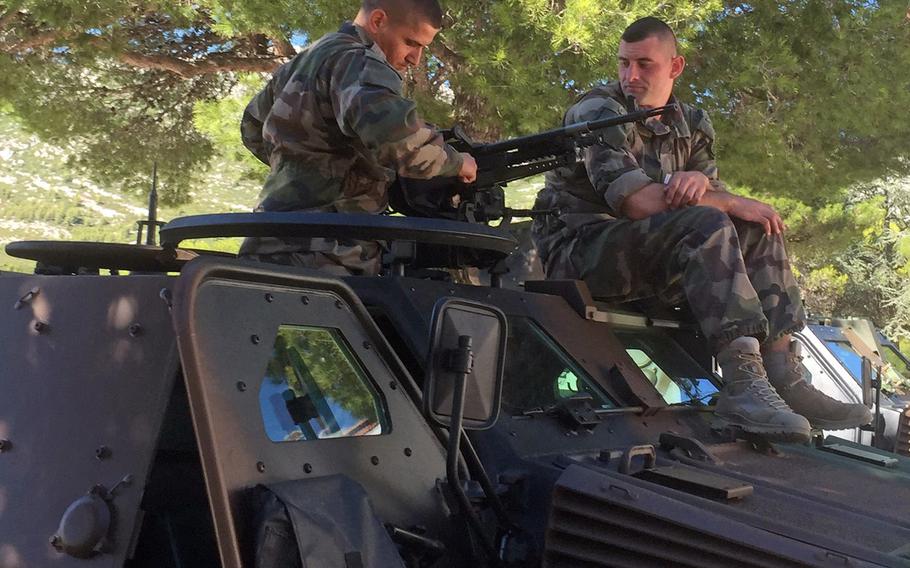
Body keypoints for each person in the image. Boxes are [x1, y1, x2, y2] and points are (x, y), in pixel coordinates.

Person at [531, 17, 871, 442]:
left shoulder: (691, 122)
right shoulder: (599, 110)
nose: (630, 76)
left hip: (649, 257)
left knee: (757, 226)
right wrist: (719, 199)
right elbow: (636, 202)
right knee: (711, 220)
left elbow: (711, 197)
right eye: (623, 64)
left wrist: (705, 190)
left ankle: (783, 372)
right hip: (581, 252)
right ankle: (744, 385)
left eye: (644, 64)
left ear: (676, 67)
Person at [240, 0, 477, 276]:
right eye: (411, 42)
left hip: (269, 239)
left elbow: (252, 128)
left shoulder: (310, 57)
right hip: (327, 253)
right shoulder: (361, 61)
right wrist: (458, 162)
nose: (416, 59)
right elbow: (397, 140)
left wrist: (306, 166)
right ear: (378, 20)